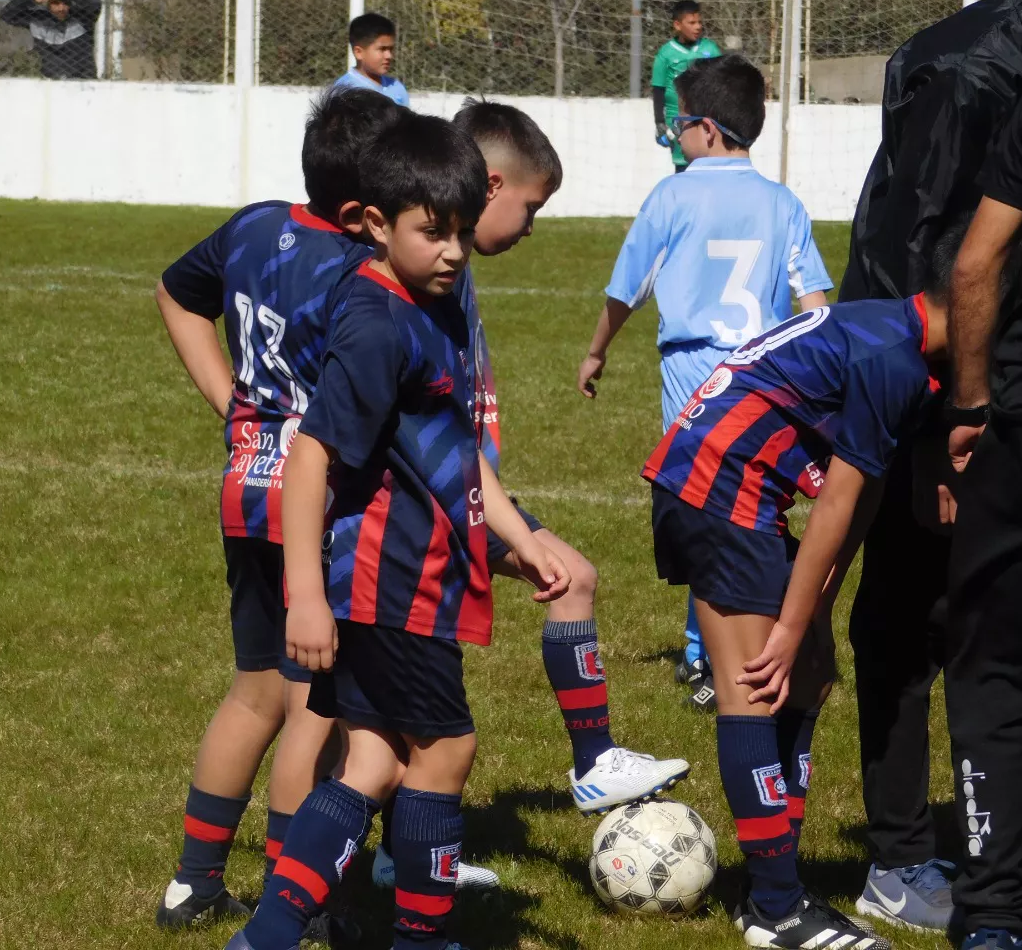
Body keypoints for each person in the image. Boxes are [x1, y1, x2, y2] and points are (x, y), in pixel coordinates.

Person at [224, 111, 569, 950]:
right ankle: (422, 937)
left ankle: (266, 936)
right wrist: (305, 597)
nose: (452, 250)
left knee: (375, 760)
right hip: (388, 581)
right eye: (431, 232)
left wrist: (519, 537)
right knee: (447, 749)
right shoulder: (379, 321)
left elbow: (452, 438)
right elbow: (311, 459)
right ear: (376, 225)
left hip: (409, 576)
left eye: (459, 231)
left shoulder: (435, 300)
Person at [643, 221, 962, 950]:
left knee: (808, 678)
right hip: (718, 485)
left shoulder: (906, 352)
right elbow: (839, 499)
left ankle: (774, 880)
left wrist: (813, 613)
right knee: (755, 684)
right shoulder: (896, 361)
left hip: (739, 487)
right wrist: (788, 626)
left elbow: (867, 493)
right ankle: (778, 911)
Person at [151, 87, 406, 933]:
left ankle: (194, 883)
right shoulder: (362, 273)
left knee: (255, 691)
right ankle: (301, 904)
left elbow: (176, 294)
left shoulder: (257, 226)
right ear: (370, 207)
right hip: (317, 505)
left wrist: (233, 403)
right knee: (315, 711)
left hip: (245, 485)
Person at [838, 0, 1022, 931]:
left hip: (988, 379)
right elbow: (916, 247)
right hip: (949, 382)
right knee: (919, 614)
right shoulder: (972, 65)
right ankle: (903, 850)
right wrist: (933, 427)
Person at [448, 99, 691, 815]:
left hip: (465, 485)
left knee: (572, 576)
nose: (531, 227)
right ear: (490, 184)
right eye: (530, 207)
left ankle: (594, 764)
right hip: (429, 492)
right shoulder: (423, 270)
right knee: (393, 709)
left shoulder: (450, 265)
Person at [578, 54, 831, 712]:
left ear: (709, 130)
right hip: (768, 375)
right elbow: (817, 304)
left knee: (704, 502)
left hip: (696, 373)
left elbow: (625, 288)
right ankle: (767, 632)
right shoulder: (783, 203)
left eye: (680, 125)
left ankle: (704, 654)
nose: (676, 138)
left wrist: (597, 351)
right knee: (758, 502)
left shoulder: (672, 195)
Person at [944, 87, 1022, 950]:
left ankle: (997, 909)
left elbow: (975, 265)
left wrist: (969, 404)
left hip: (1020, 427)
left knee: (994, 666)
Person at [652, 0, 721, 173]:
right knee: (684, 169)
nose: (698, 26)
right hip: (678, 123)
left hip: (708, 121)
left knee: (708, 169)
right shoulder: (666, 53)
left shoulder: (710, 49)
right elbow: (658, 89)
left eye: (699, 22)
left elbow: (722, 84)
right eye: (692, 23)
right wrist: (660, 123)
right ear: (677, 24)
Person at [0, 0, 101, 80]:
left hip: (83, 84)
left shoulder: (84, 18)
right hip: (48, 84)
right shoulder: (37, 19)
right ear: (48, 4)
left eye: (66, 3)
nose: (61, 8)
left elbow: (95, 4)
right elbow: (6, 14)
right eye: (56, 3)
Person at [333, 12, 410, 107]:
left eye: (391, 49)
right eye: (382, 49)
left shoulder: (396, 87)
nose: (389, 55)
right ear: (358, 52)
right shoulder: (344, 91)